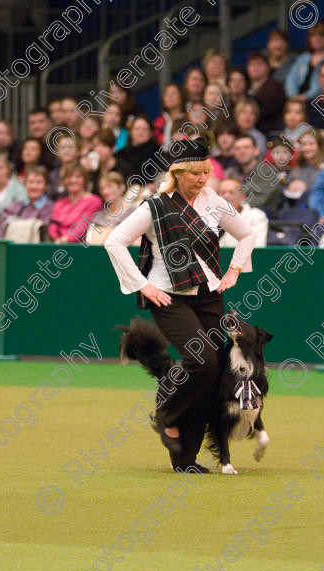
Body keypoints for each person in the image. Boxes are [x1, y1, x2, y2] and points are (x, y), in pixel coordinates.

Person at [104, 137, 256, 471]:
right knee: (202, 362)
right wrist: (143, 285)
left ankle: (184, 459)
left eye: (206, 172)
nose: (202, 179)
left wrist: (234, 270)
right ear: (178, 172)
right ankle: (166, 416)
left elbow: (247, 234)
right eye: (195, 173)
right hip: (167, 297)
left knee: (213, 375)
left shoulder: (214, 200)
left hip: (209, 295)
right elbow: (114, 242)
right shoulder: (154, 206)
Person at [226, 134, 282, 213]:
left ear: (256, 151)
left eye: (246, 147)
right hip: (235, 214)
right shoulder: (231, 173)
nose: (242, 151)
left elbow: (261, 200)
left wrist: (236, 203)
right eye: (238, 148)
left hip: (264, 216)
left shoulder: (268, 172)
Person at [48, 164, 103, 244]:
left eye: (78, 177)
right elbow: (53, 227)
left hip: (81, 247)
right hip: (57, 244)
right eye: (69, 177)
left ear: (85, 180)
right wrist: (56, 239)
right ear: (64, 180)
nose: (73, 180)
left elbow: (82, 227)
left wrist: (64, 240)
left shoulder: (94, 201)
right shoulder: (59, 203)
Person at [0, 166, 53, 239]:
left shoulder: (52, 209)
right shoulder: (12, 208)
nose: (34, 187)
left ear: (46, 186)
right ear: (25, 184)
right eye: (30, 182)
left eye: (39, 182)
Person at [285, 22, 324, 100]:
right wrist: (293, 97)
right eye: (313, 36)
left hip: (320, 100)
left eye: (321, 35)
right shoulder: (302, 58)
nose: (317, 39)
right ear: (309, 39)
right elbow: (291, 79)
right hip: (297, 100)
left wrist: (305, 97)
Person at [285, 131, 324, 207]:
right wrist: (290, 185)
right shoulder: (300, 163)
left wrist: (306, 188)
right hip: (296, 206)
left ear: (320, 145)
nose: (307, 148)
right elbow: (288, 183)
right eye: (304, 144)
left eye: (311, 144)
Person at [86, 172, 136, 246]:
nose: (105, 192)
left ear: (121, 188)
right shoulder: (99, 217)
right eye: (102, 188)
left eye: (109, 187)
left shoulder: (133, 212)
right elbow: (92, 241)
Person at [218, 178, 268, 247]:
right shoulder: (210, 217)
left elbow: (257, 247)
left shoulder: (257, 216)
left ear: (242, 197)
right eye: (223, 193)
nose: (226, 196)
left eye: (231, 193)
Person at [246, 52, 286, 135]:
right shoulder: (245, 86)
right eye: (251, 64)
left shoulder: (275, 88)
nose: (255, 67)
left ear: (268, 68)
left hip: (268, 132)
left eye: (259, 64)